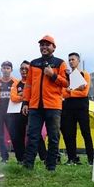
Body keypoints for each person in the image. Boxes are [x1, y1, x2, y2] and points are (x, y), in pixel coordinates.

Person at [22, 35, 68, 171]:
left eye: (47, 45)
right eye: (42, 45)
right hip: (35, 106)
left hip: (53, 106)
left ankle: (51, 166)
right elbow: (28, 85)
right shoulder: (33, 63)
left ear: (54, 47)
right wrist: (25, 102)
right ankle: (28, 165)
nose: (44, 47)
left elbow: (66, 83)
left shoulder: (60, 63)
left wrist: (52, 75)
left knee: (53, 137)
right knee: (32, 136)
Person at [61, 52, 94, 165]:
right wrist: (75, 90)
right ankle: (72, 158)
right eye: (69, 60)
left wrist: (70, 91)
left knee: (86, 132)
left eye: (73, 59)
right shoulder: (66, 76)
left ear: (78, 61)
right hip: (69, 107)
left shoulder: (85, 74)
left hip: (82, 107)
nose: (71, 62)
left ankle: (91, 159)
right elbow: (63, 93)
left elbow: (84, 93)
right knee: (70, 133)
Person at [9, 60, 32, 164]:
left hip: (32, 111)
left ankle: (43, 157)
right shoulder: (16, 83)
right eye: (22, 69)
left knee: (35, 135)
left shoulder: (34, 82)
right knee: (18, 135)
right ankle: (20, 159)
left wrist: (22, 95)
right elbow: (13, 97)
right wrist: (25, 95)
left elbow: (35, 96)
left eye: (26, 69)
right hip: (17, 113)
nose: (24, 71)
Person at [0, 61, 18, 163]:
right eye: (4, 68)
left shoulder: (16, 82)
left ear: (11, 70)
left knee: (14, 134)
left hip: (11, 113)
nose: (6, 70)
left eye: (8, 68)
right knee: (0, 135)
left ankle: (19, 157)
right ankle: (4, 157)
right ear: (1, 69)